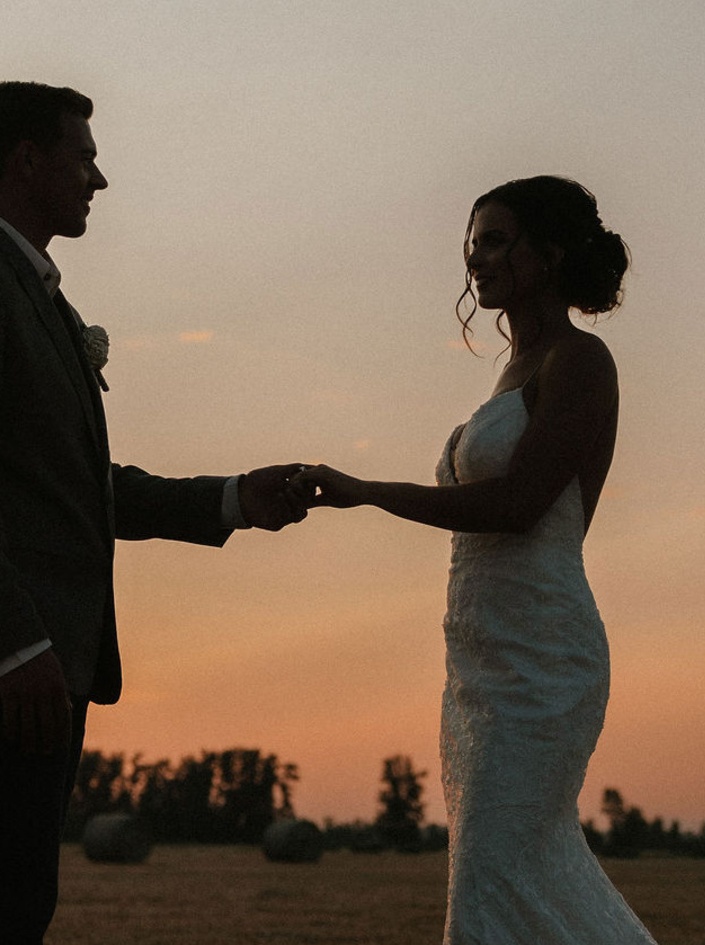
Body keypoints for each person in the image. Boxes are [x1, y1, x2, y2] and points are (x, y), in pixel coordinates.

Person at [0, 80, 307, 945]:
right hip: (3, 661)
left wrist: (232, 497)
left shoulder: (41, 300)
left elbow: (77, 484)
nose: (99, 178)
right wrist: (15, 644)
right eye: (84, 157)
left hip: (39, 658)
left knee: (10, 905)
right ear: (28, 160)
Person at [291, 176, 658, 943]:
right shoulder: (510, 370)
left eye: (496, 239)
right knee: (502, 864)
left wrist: (368, 491)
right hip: (479, 657)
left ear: (551, 253)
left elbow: (517, 506)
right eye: (472, 241)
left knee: (494, 866)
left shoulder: (581, 360)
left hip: (543, 656)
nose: (475, 257)